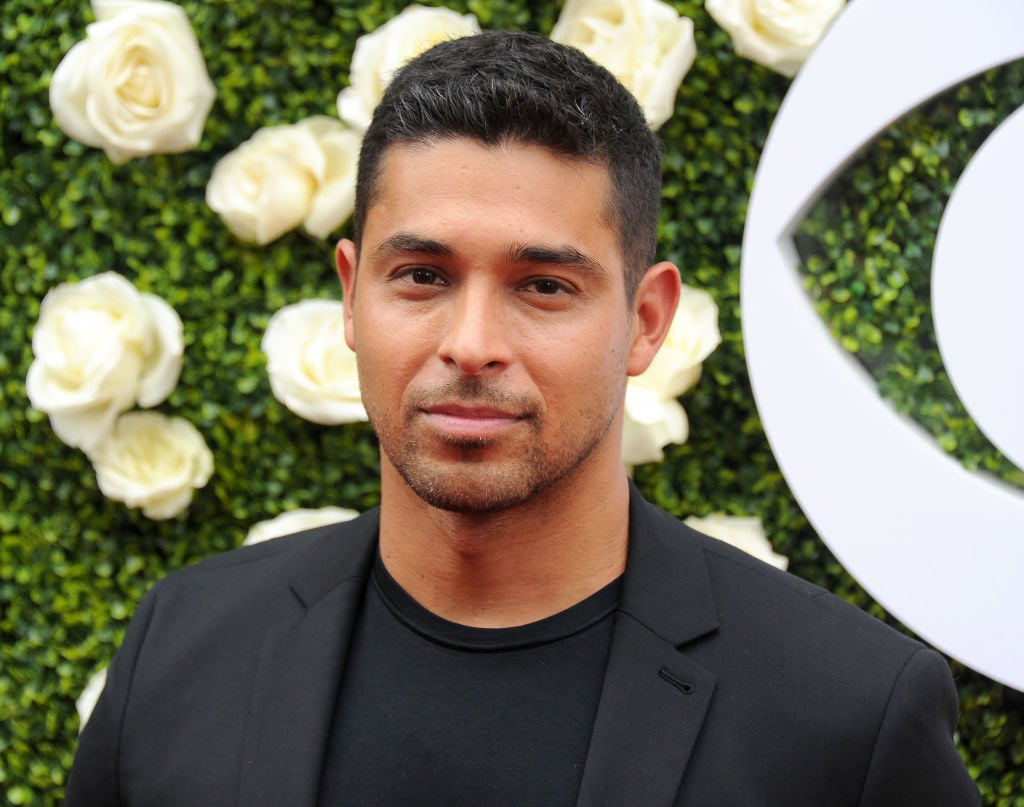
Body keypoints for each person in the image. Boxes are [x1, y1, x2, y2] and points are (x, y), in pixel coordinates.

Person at [65, 30, 980, 806]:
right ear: (351, 297)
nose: (470, 343)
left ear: (646, 321)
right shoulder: (181, 647)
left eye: (544, 286)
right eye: (421, 275)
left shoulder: (847, 714)